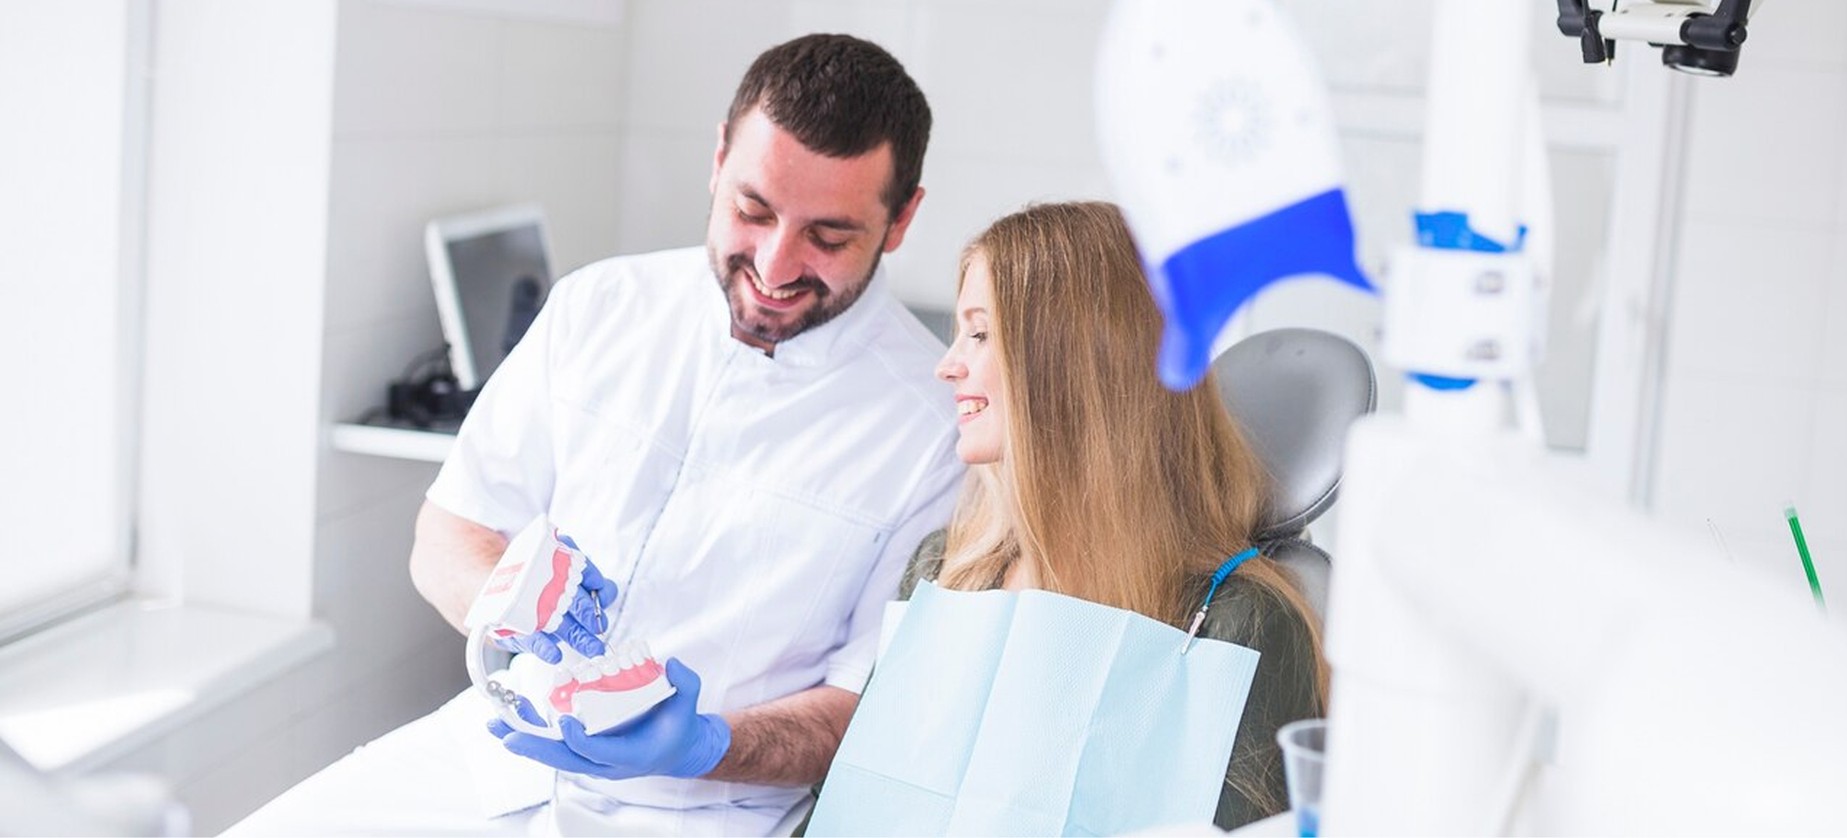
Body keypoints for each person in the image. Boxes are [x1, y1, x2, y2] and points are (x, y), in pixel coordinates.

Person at [229, 34, 963, 836]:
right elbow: (450, 529)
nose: (775, 265)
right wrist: (505, 601)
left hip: (701, 811)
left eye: (828, 237)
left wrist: (704, 744)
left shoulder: (935, 432)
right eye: (752, 211)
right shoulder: (600, 306)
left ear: (901, 219)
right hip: (496, 752)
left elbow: (864, 705)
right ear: (719, 158)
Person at [904, 201, 1327, 829]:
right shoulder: (944, 572)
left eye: (981, 333)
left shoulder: (1239, 626)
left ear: (1073, 361)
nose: (947, 365)